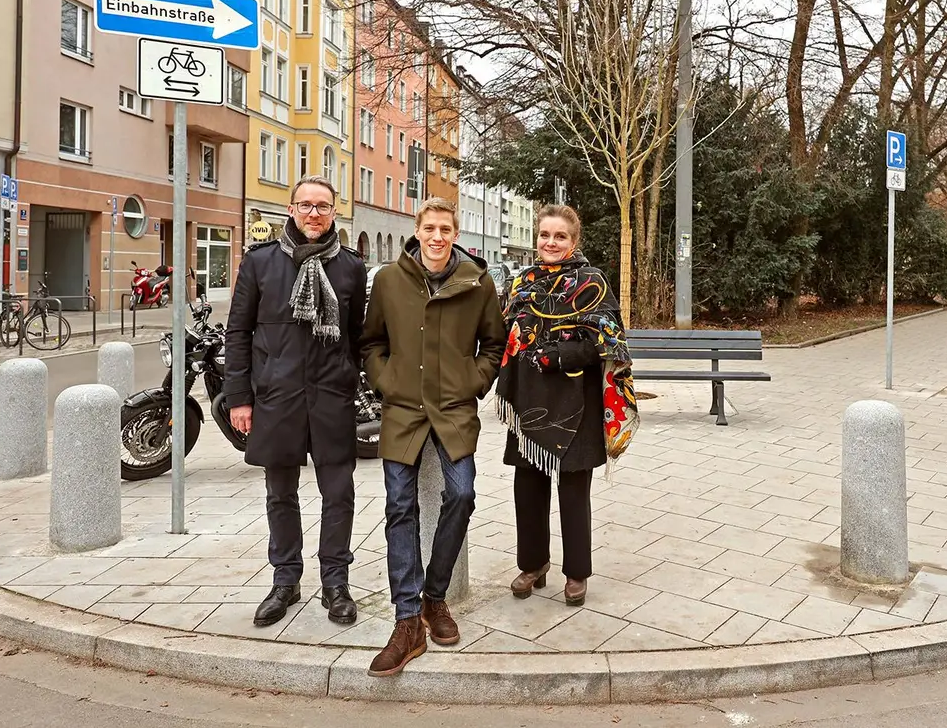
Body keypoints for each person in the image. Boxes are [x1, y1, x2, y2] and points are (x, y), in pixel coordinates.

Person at [359, 197, 505, 677]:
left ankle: (434, 597)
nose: (438, 237)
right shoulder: (388, 280)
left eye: (446, 228)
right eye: (430, 228)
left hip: (454, 408)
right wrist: (387, 381)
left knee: (461, 494)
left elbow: (495, 344)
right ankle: (407, 621)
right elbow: (372, 343)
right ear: (416, 231)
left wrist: (473, 381)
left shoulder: (478, 282)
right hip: (403, 409)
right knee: (399, 506)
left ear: (455, 232)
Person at [222, 176, 366, 629]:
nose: (312, 214)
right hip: (277, 396)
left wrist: (351, 379)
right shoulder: (260, 263)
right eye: (304, 205)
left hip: (331, 397)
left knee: (338, 494)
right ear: (290, 210)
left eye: (322, 206)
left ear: (334, 212)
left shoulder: (350, 267)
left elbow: (359, 335)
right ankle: (285, 580)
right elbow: (238, 333)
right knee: (279, 493)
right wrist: (239, 397)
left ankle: (335, 583)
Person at [498, 204, 638, 608]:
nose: (551, 242)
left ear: (574, 241)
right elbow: (503, 331)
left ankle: (576, 573)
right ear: (536, 237)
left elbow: (609, 343)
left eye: (560, 236)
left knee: (573, 492)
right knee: (527, 487)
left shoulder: (592, 281)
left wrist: (560, 355)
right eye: (545, 235)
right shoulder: (522, 281)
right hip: (527, 402)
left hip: (575, 404)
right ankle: (533, 564)